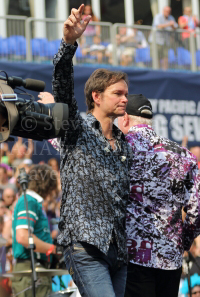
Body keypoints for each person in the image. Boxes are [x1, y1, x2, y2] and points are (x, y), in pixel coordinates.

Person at [38, 4, 132, 297]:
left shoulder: (124, 143)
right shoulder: (75, 128)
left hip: (119, 252)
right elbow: (63, 90)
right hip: (85, 247)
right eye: (118, 93)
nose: (124, 99)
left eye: (126, 94)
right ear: (96, 96)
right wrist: (68, 45)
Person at [117, 94, 200, 297]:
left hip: (132, 257)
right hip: (170, 258)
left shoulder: (117, 149)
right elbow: (196, 211)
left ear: (125, 118)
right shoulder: (184, 155)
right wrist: (184, 241)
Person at [12, 164, 58, 297]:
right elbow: (23, 237)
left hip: (37, 270)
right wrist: (53, 249)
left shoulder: (33, 202)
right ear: (47, 185)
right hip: (29, 270)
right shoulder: (29, 201)